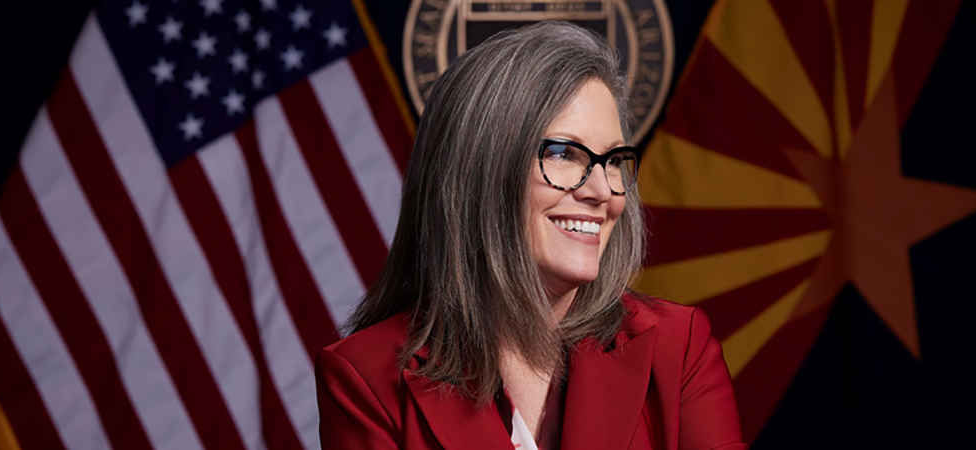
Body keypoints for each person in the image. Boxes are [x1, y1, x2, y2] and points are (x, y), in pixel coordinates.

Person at [315, 21, 745, 450]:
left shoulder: (678, 348)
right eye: (562, 153)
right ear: (478, 171)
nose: (601, 192)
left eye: (613, 160)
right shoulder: (365, 378)